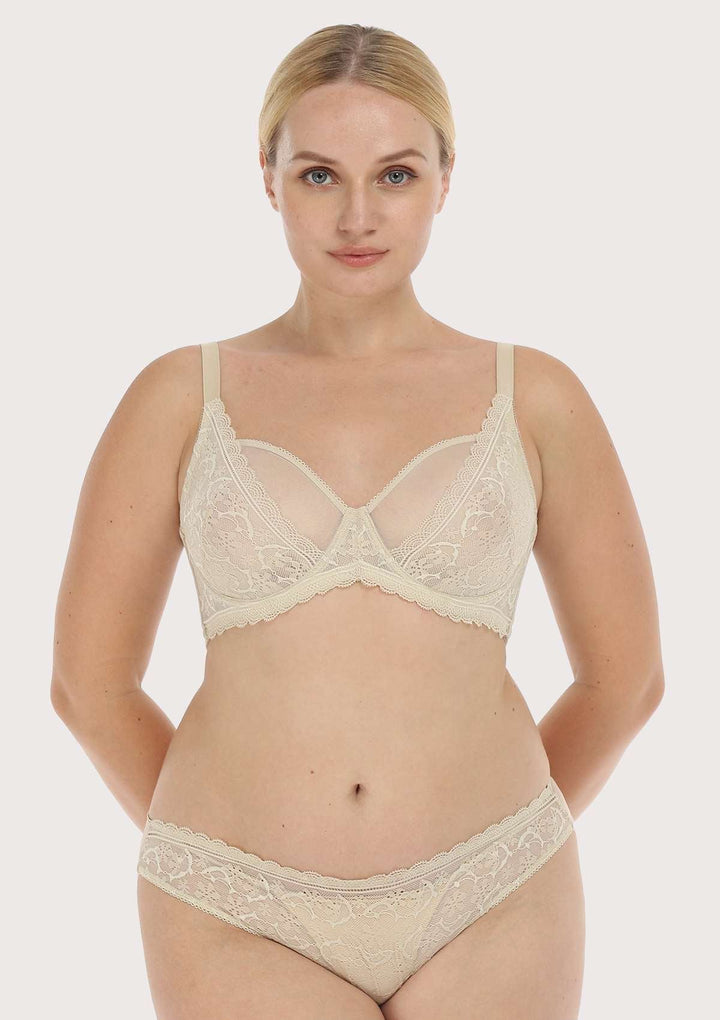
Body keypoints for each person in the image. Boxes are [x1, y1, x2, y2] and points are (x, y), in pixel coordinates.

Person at [50, 23, 665, 1020]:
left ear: (446, 180)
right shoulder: (179, 396)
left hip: (496, 897)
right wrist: (211, 851)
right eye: (320, 176)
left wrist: (509, 833)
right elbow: (88, 685)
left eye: (396, 175)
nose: (358, 216)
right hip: (233, 910)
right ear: (268, 178)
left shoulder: (536, 397)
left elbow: (627, 679)